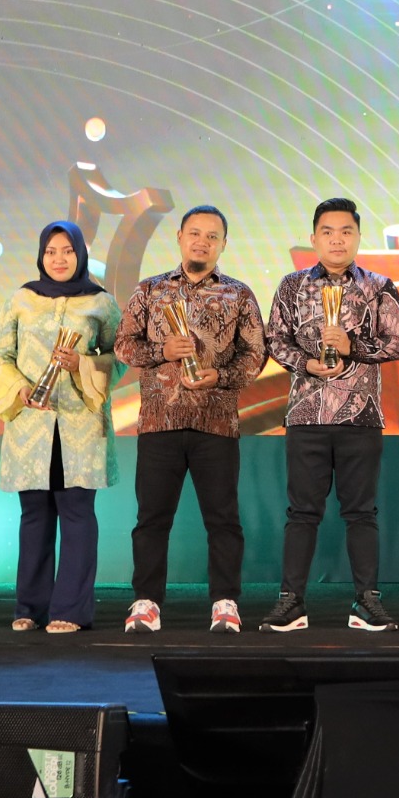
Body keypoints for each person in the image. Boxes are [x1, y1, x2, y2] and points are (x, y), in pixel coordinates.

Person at [115, 204, 265, 635]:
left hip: (216, 424)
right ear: (180, 237)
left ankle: (225, 602)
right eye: (194, 233)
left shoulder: (239, 295)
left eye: (212, 236)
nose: (202, 242)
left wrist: (222, 376)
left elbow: (255, 354)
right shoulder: (150, 290)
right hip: (159, 422)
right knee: (151, 519)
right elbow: (124, 345)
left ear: (223, 244)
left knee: (223, 519)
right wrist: (162, 351)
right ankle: (146, 602)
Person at [260, 198, 399, 633]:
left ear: (358, 237)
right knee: (301, 513)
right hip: (305, 416)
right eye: (328, 231)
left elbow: (398, 343)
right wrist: (306, 363)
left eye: (346, 231)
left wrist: (352, 347)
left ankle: (366, 602)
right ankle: (291, 603)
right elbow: (275, 339)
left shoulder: (379, 286)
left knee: (361, 513)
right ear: (314, 238)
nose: (337, 239)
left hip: (361, 417)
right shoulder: (292, 286)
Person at [0, 221, 121, 634]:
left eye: (67, 251)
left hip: (81, 425)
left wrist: (83, 364)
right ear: (41, 256)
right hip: (32, 425)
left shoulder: (102, 303)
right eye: (51, 251)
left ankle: (71, 610)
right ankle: (30, 607)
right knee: (34, 515)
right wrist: (19, 388)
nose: (59, 259)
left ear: (80, 254)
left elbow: (120, 357)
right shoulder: (21, 299)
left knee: (77, 513)